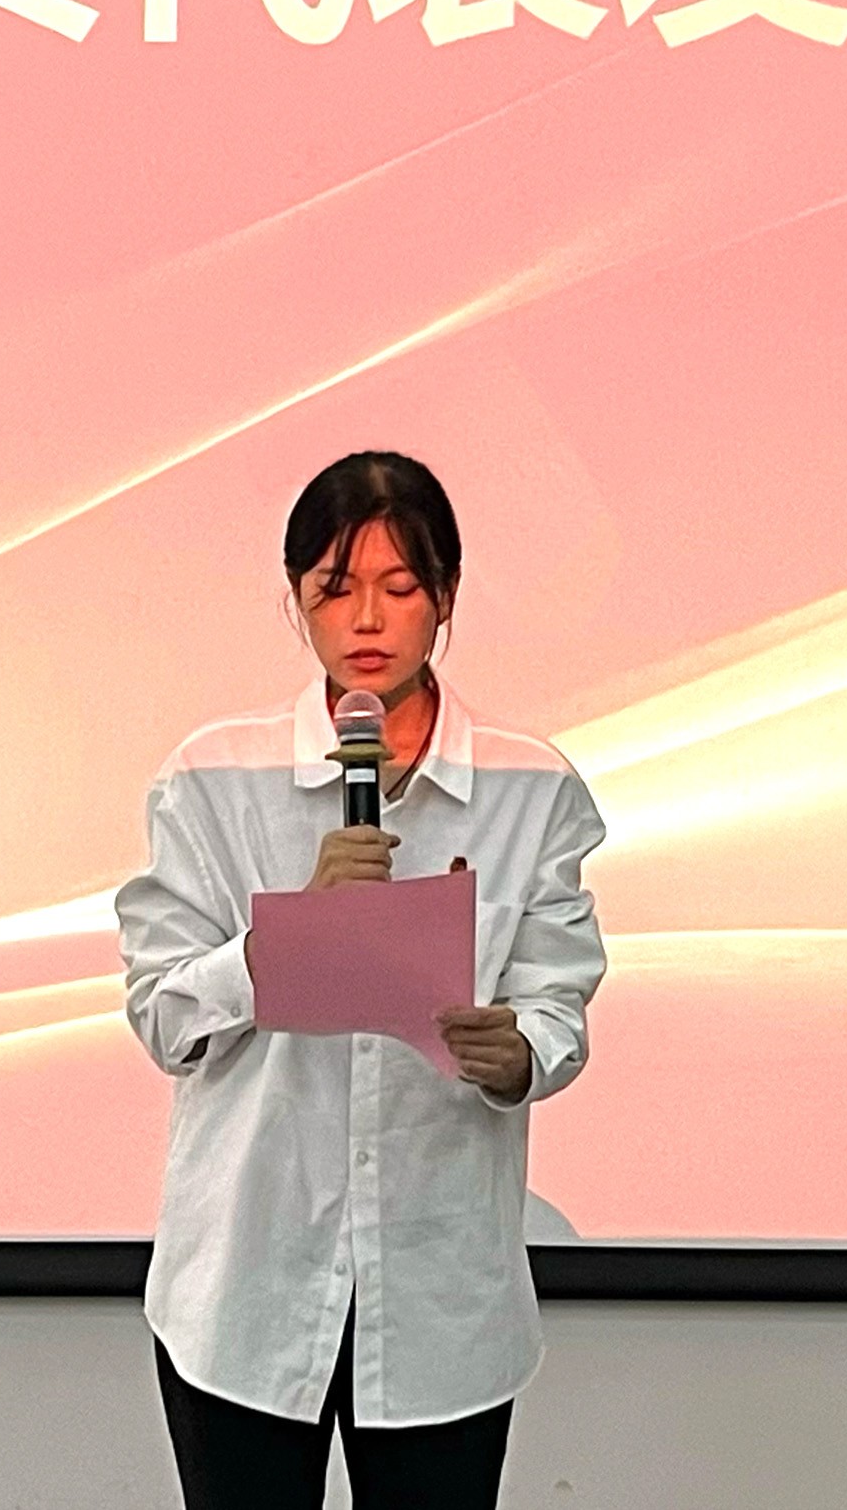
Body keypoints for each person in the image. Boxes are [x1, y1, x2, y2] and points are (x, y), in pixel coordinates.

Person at [113, 451, 610, 1510]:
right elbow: (162, 1015)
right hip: (245, 1290)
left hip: (441, 1298)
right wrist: (289, 935)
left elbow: (559, 1005)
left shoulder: (531, 789)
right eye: (336, 589)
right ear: (298, 600)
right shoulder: (214, 778)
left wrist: (520, 1051)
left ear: (447, 597)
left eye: (400, 586)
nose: (368, 620)